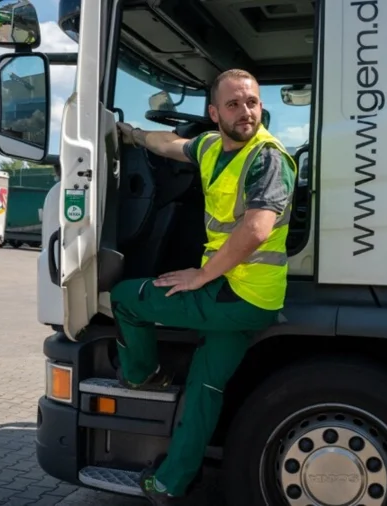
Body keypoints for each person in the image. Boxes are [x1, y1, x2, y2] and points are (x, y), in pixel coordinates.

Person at [111, 68, 297, 504]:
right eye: (233, 104)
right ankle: (171, 481)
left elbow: (256, 230)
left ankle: (142, 374)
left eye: (251, 102)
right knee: (204, 389)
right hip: (248, 296)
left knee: (124, 300)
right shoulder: (212, 146)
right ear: (214, 113)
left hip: (238, 293)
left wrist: (201, 275)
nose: (246, 111)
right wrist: (133, 135)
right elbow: (171, 145)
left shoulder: (266, 157)